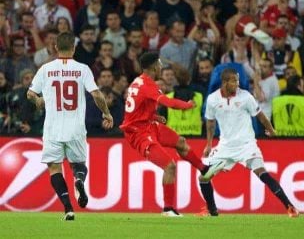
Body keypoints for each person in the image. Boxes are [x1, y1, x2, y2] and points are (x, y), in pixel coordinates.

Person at [26, 32, 114, 221]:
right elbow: (97, 95)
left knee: (55, 168)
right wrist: (106, 113)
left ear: (56, 47)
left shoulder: (46, 69)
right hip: (76, 128)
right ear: (74, 48)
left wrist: (39, 100)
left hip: (52, 128)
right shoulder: (82, 69)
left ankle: (68, 209)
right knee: (78, 164)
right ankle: (79, 180)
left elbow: (30, 94)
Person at [120, 52, 218, 217]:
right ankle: (168, 209)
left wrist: (153, 116)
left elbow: (135, 108)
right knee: (170, 166)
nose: (161, 66)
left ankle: (203, 169)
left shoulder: (139, 82)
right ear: (153, 67)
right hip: (139, 133)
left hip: (149, 124)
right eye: (159, 64)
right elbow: (168, 102)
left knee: (180, 142)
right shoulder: (147, 85)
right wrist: (187, 105)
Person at [202, 68, 299, 217]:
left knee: (263, 174)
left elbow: (260, 115)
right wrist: (209, 144)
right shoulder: (213, 99)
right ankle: (212, 210)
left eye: (238, 80)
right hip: (225, 147)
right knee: (204, 178)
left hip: (247, 145)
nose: (237, 84)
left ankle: (289, 206)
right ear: (225, 82)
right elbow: (210, 123)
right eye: (234, 81)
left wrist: (271, 130)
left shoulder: (245, 96)